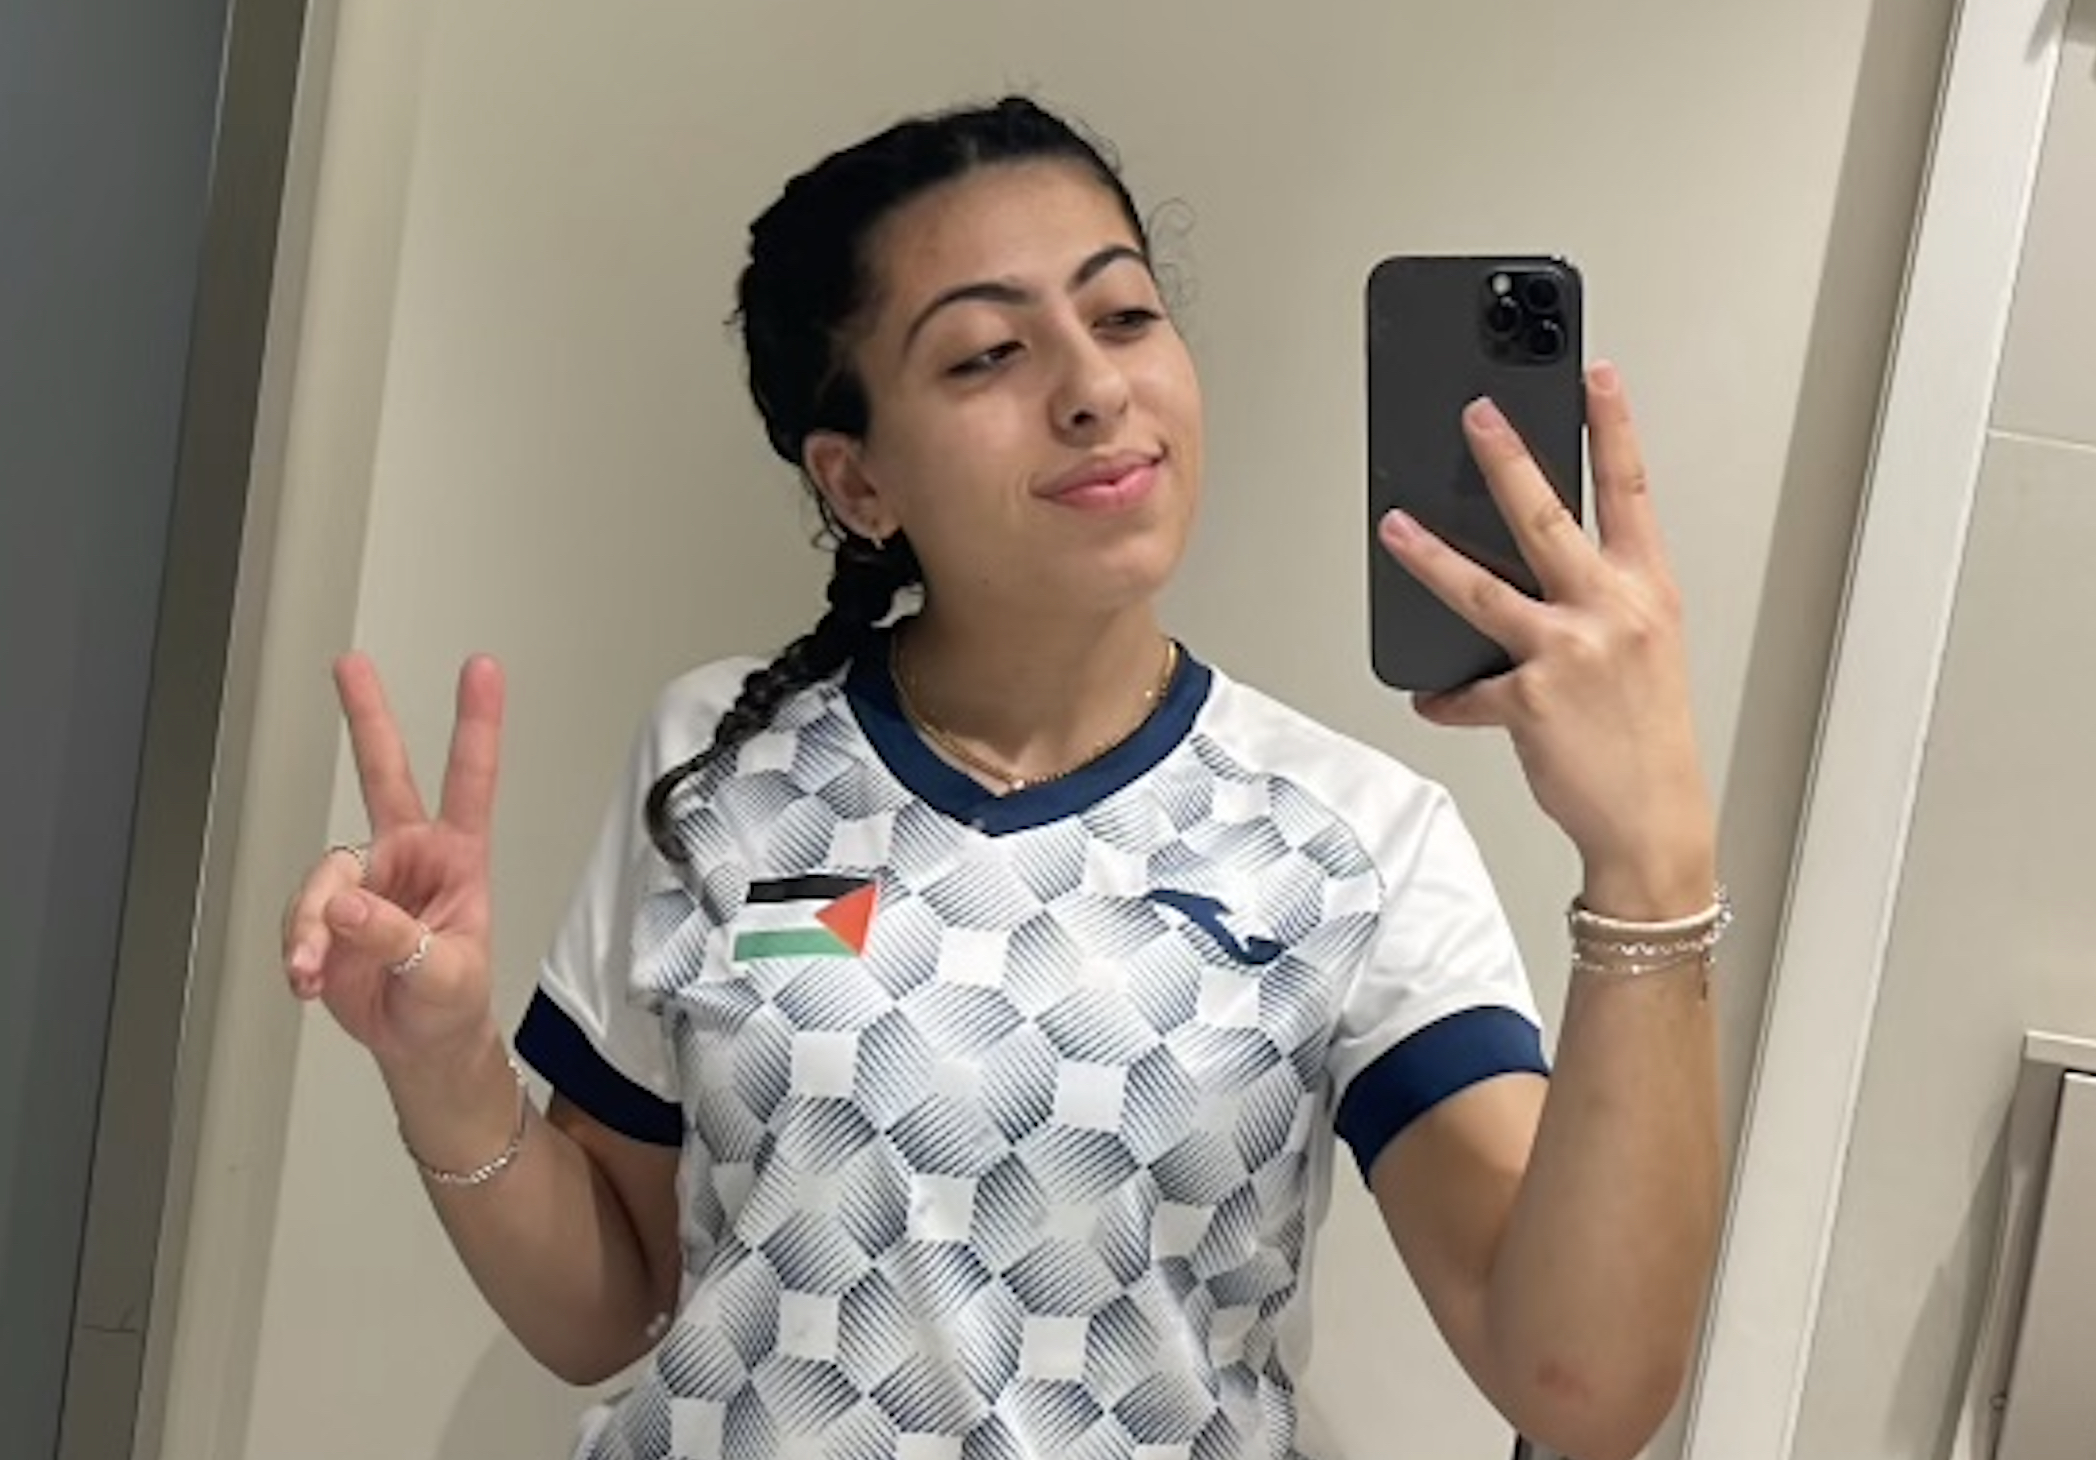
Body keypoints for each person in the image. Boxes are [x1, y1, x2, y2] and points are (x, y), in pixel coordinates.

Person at [279, 96, 1723, 1460]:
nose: (1095, 389)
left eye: (1125, 314)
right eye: (987, 355)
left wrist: (1650, 860)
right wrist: (448, 1069)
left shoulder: (1352, 839)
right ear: (859, 484)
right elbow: (611, 1309)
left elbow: (1580, 1387)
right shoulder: (716, 762)